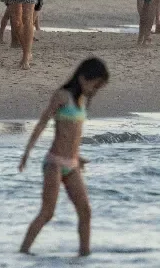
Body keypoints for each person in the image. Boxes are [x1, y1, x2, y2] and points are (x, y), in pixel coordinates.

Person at [18, 58, 110, 257]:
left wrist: (79, 157)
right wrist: (27, 153)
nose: (95, 91)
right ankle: (23, 252)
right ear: (84, 78)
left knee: (85, 211)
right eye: (95, 85)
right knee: (47, 213)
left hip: (72, 164)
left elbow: (73, 134)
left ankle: (84, 256)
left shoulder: (82, 101)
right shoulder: (62, 96)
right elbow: (42, 123)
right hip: (54, 163)